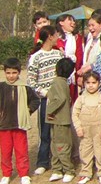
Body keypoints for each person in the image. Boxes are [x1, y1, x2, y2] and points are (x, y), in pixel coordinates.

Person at [27, 25, 64, 175]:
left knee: (59, 132)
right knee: (45, 132)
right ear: (50, 36)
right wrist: (45, 93)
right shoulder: (36, 57)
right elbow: (31, 81)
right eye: (56, 34)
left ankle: (60, 160)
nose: (58, 37)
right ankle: (42, 161)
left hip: (59, 99)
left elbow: (65, 75)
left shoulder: (59, 55)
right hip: (45, 100)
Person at [0, 58, 40, 184]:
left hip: (19, 125)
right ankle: (6, 174)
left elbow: (35, 100)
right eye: (8, 73)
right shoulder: (1, 87)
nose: (11, 76)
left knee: (21, 151)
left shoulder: (25, 87)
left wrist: (28, 111)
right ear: (5, 72)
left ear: (18, 72)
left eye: (14, 73)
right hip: (4, 125)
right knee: (5, 152)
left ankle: (24, 174)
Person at [72, 72, 101, 184]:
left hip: (99, 130)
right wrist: (78, 128)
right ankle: (85, 173)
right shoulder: (81, 99)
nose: (91, 85)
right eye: (88, 82)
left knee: (100, 151)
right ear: (84, 83)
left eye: (94, 83)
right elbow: (75, 114)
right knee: (85, 151)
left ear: (99, 83)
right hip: (85, 130)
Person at [46, 58, 76, 183]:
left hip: (60, 120)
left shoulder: (57, 82)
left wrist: (49, 111)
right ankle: (57, 169)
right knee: (54, 145)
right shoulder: (63, 82)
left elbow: (61, 98)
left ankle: (69, 170)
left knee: (61, 147)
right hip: (57, 120)